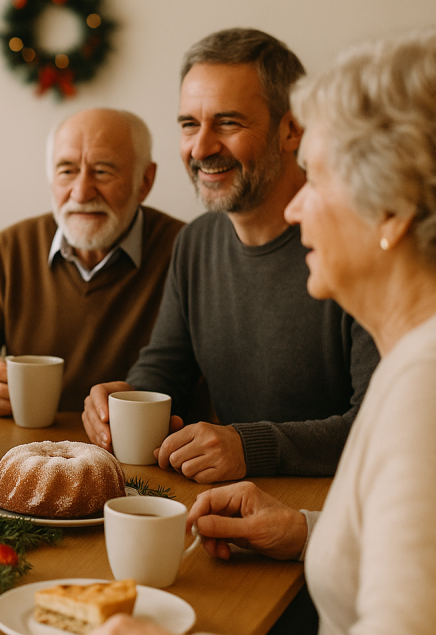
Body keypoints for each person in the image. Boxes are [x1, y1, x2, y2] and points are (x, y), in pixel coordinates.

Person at [69, 29, 436, 635]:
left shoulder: (424, 383)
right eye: (190, 122)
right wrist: (302, 528)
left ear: (392, 213)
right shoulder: (414, 363)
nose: (297, 204)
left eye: (318, 179)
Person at [83, 28, 379, 483]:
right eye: (188, 124)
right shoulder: (196, 242)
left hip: (335, 510)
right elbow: (167, 368)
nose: (201, 149)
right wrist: (128, 399)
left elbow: (380, 426)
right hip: (233, 505)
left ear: (291, 129)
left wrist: (250, 447)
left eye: (228, 123)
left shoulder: (364, 243)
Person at [0, 108, 185, 414]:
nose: (81, 193)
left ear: (144, 181)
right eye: (67, 171)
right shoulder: (13, 248)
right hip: (30, 454)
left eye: (102, 171)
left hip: (143, 454)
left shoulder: (187, 251)